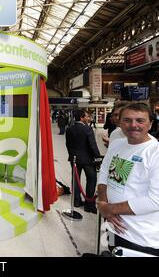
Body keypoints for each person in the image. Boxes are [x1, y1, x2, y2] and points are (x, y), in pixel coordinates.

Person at [97, 103, 159, 256]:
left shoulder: (154, 153)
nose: (133, 125)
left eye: (140, 120)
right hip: (110, 225)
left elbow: (155, 200)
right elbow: (104, 173)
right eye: (127, 120)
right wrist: (103, 202)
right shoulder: (117, 144)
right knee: (110, 250)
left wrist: (108, 209)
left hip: (139, 237)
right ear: (120, 123)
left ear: (150, 124)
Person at [66, 109, 101, 213]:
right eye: (87, 116)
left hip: (75, 160)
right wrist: (97, 157)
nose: (88, 118)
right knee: (91, 179)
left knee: (75, 180)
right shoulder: (87, 129)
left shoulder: (69, 129)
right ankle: (89, 204)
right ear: (81, 117)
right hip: (88, 160)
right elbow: (92, 145)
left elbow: (68, 144)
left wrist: (72, 156)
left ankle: (76, 201)